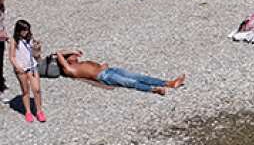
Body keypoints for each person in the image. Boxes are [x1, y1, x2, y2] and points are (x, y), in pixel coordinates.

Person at [49, 50, 185, 94]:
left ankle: (169, 83)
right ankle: (154, 89)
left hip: (108, 70)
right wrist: (70, 51)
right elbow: (58, 53)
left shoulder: (79, 64)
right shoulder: (70, 69)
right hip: (104, 76)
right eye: (73, 55)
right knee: (131, 82)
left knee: (138, 76)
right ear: (68, 60)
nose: (76, 55)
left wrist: (102, 65)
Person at [13, 21, 45, 123]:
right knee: (25, 91)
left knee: (37, 89)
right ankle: (28, 112)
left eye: (27, 30)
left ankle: (39, 111)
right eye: (24, 30)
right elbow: (12, 56)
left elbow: (35, 54)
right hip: (22, 69)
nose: (26, 32)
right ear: (19, 30)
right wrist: (18, 67)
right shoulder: (14, 41)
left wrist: (37, 49)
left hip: (32, 67)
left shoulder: (30, 39)